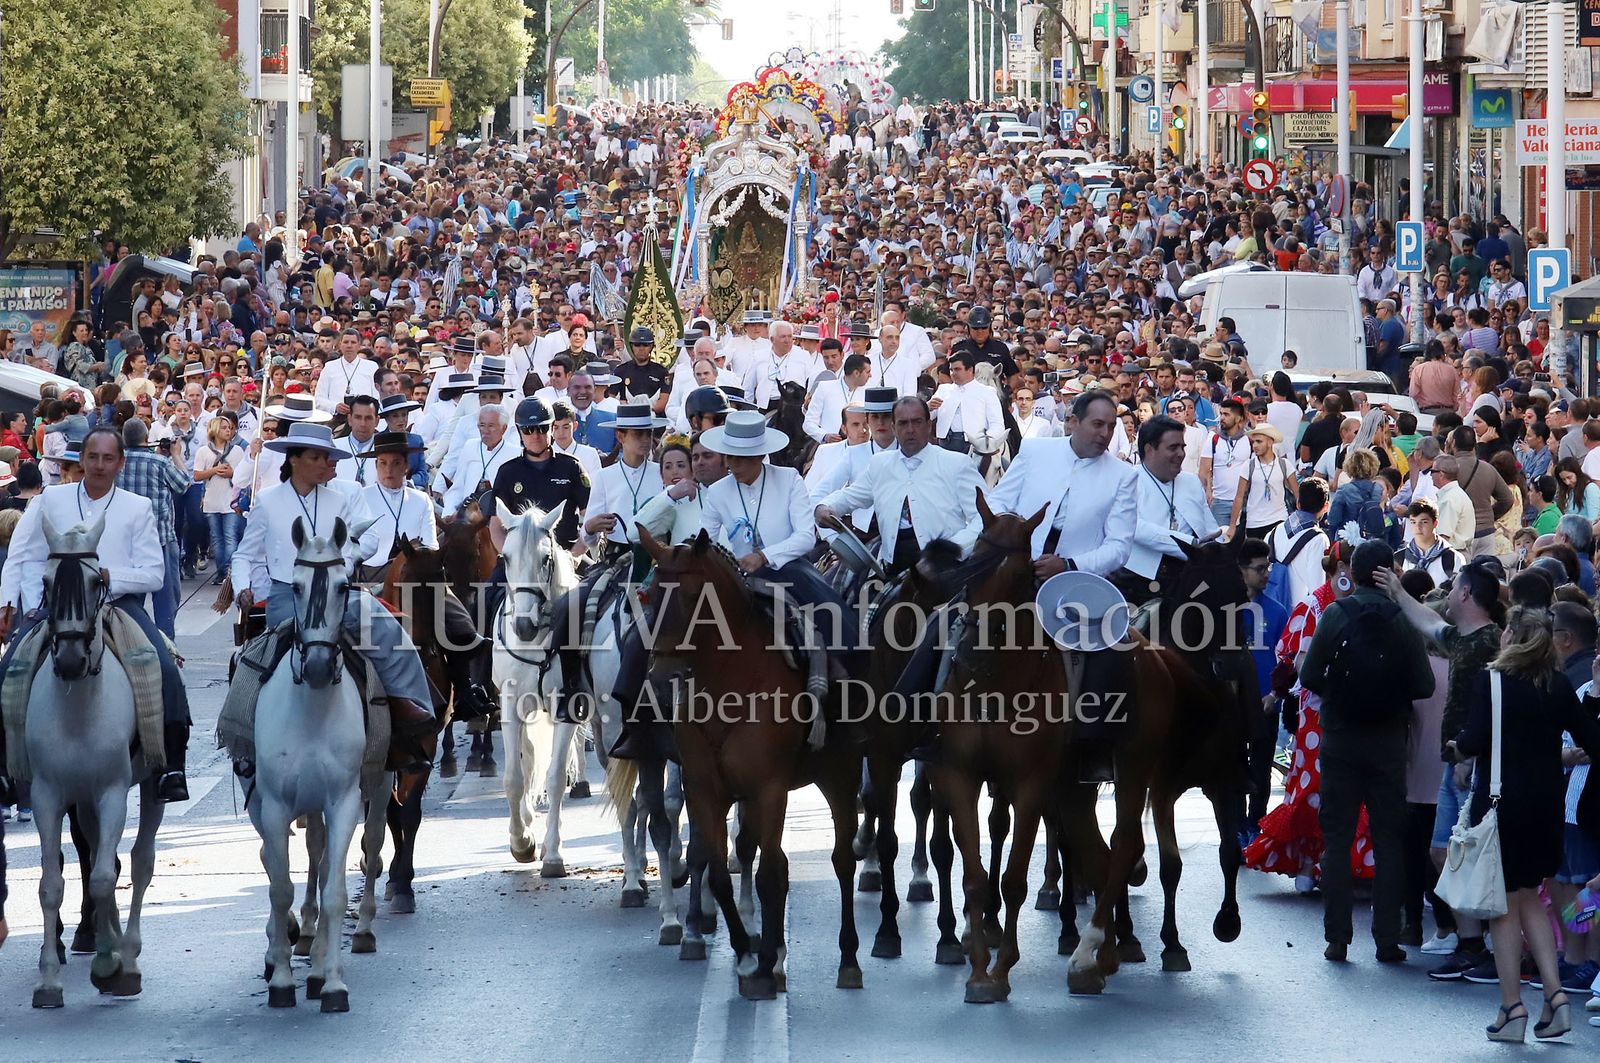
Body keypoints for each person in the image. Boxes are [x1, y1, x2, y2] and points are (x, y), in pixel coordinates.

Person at [0, 426, 192, 801]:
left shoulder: (137, 507)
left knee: (165, 669)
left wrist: (108, 577)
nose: (99, 466)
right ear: (81, 460)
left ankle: (171, 765)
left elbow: (153, 574)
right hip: (60, 606)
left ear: (120, 463)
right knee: (8, 668)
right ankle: (5, 767)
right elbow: (22, 553)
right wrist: (8, 604)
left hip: (119, 607)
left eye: (108, 458)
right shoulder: (50, 500)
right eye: (93, 457)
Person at [229, 421, 437, 758]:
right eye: (319, 457)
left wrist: (348, 562)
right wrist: (242, 588)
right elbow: (244, 555)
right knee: (259, 658)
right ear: (295, 460)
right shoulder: (267, 501)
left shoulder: (340, 499)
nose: (327, 463)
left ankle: (410, 709)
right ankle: (244, 732)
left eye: (327, 457)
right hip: (288, 595)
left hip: (338, 592)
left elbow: (362, 539)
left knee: (388, 631)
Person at [1451, 609, 1600, 1042]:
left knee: (1503, 908)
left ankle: (1512, 1008)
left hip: (1501, 808)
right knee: (1530, 899)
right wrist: (1592, 699)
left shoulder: (1492, 681)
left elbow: (1473, 741)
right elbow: (1592, 741)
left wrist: (1456, 745)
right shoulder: (1556, 685)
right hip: (1546, 810)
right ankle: (1555, 1000)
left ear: (1512, 636)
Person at [987, 390, 1139, 782]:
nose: (1104, 434)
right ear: (1073, 421)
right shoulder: (1036, 452)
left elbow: (1119, 547)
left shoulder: (1123, 475)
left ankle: (1091, 746)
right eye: (1097, 424)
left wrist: (1069, 565)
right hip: (1015, 569)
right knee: (956, 624)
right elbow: (1001, 503)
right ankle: (932, 725)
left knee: (1111, 653)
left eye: (1110, 426)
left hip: (1077, 585)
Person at [1299, 539, 1436, 963]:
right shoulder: (1401, 622)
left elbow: (1308, 674)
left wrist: (1340, 695)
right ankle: (1387, 939)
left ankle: (1337, 937)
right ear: (1388, 573)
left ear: (1352, 573)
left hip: (1341, 739)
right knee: (1389, 839)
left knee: (1337, 839)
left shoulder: (1337, 614)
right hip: (1388, 744)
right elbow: (1425, 686)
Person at [1374, 556, 1507, 978]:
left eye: (1455, 589)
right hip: (1456, 764)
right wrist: (1397, 593)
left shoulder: (1488, 642)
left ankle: (1479, 942)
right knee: (1444, 852)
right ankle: (1470, 944)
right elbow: (1430, 624)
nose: (1449, 594)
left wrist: (1472, 753)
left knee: (1465, 854)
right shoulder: (1466, 639)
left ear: (1466, 593)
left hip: (1472, 765)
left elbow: (1491, 707)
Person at [359, 430, 494, 723]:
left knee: (458, 620)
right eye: (383, 463)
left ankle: (465, 690)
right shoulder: (362, 497)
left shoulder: (421, 500)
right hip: (373, 573)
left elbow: (432, 543)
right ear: (376, 465)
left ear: (406, 465)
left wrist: (415, 555)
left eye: (396, 463)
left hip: (419, 572)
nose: (389, 470)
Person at [815, 395, 986, 574]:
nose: (910, 429)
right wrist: (825, 507)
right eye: (903, 423)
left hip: (945, 569)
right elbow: (849, 497)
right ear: (894, 428)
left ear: (929, 426)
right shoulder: (880, 464)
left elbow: (984, 517)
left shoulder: (957, 464)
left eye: (917, 422)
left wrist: (953, 549)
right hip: (891, 563)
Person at [1118, 414, 1218, 603]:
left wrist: (1219, 548)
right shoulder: (1128, 480)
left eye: (1183, 447)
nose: (1181, 453)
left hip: (1190, 577)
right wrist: (1192, 545)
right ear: (1149, 449)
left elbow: (1208, 527)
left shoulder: (1190, 481)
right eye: (1173, 447)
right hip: (1139, 582)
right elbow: (1134, 527)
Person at [1238, 537, 1291, 840]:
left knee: (1261, 771)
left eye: (1267, 567)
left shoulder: (1278, 612)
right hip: (1233, 707)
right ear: (1242, 571)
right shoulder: (1225, 612)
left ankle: (1256, 826)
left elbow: (1286, 661)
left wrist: (1275, 696)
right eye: (1259, 569)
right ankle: (1235, 827)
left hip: (1266, 706)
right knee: (1232, 769)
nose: (1266, 574)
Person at [192, 412, 245, 586]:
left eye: (229, 428)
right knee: (217, 538)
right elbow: (197, 475)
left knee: (230, 536)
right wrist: (214, 470)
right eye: (223, 428)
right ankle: (221, 571)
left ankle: (230, 571)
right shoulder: (204, 451)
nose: (228, 431)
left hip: (230, 501)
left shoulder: (236, 451)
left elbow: (243, 475)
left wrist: (231, 473)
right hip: (212, 500)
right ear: (215, 430)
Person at [1227, 423, 1297, 541]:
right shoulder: (1249, 465)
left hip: (1279, 520)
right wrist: (1232, 526)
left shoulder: (1284, 464)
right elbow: (1239, 497)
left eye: (1259, 442)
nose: (1255, 445)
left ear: (1270, 442)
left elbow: (1297, 493)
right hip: (1254, 523)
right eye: (1253, 442)